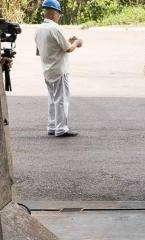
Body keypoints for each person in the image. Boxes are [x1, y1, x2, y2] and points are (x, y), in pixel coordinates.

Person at [34, 0, 83, 137]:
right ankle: (61, 128)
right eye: (59, 14)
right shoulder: (55, 28)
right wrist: (76, 43)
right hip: (59, 70)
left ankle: (52, 126)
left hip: (47, 69)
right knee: (61, 99)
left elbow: (40, 51)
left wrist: (67, 42)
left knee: (52, 99)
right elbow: (68, 48)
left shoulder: (39, 30)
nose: (59, 16)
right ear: (54, 13)